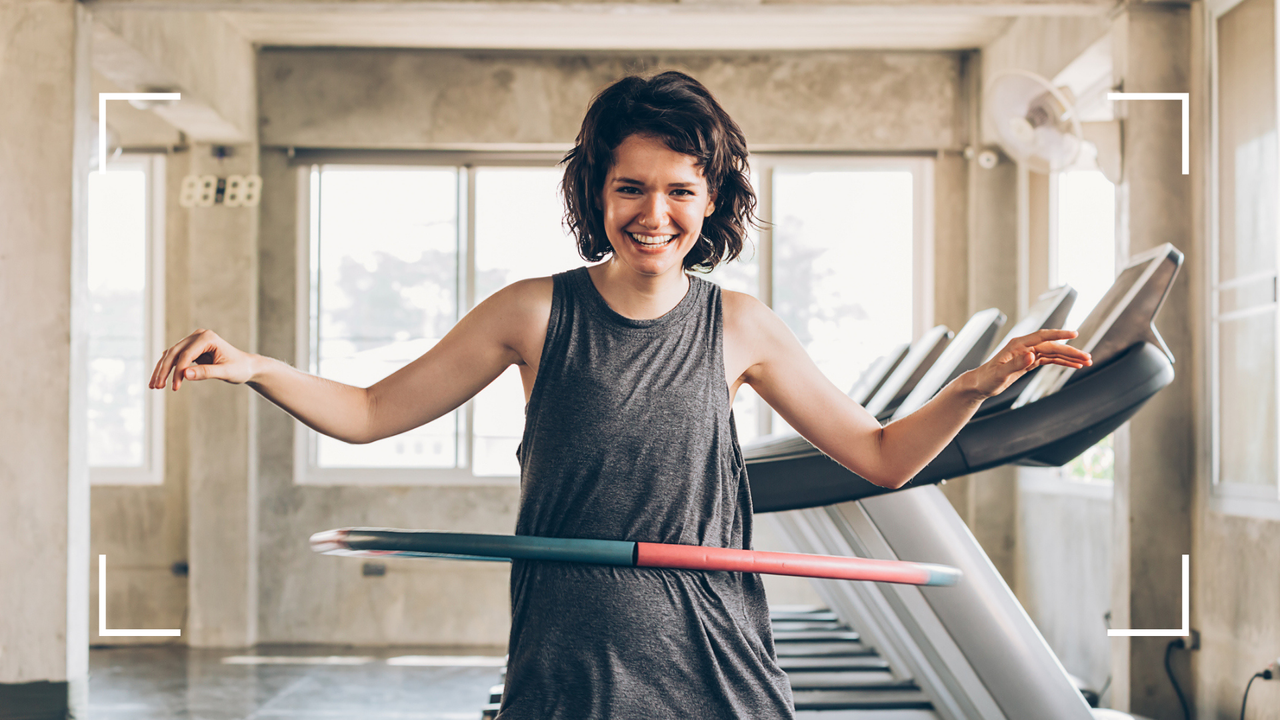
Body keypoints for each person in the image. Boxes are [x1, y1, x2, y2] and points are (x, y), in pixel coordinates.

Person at [150, 71, 1090, 719]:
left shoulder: (743, 327)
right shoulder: (530, 312)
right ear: (594, 193)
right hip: (572, 654)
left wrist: (979, 383)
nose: (654, 214)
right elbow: (366, 414)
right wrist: (257, 367)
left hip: (715, 652)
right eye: (630, 187)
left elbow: (884, 459)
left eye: (680, 190)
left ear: (713, 198)